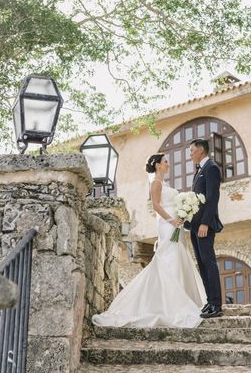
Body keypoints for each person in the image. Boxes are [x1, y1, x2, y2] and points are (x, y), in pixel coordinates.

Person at [92, 154, 206, 328]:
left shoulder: (165, 184)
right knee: (169, 257)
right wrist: (171, 220)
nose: (168, 164)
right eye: (165, 161)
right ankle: (171, 303)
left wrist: (183, 213)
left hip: (176, 225)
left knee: (177, 256)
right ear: (158, 166)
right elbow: (156, 205)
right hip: (168, 225)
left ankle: (179, 298)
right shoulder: (156, 183)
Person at [188, 138, 224, 319]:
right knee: (201, 264)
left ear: (201, 150)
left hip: (204, 225)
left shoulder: (211, 168)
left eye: (192, 151)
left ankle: (216, 304)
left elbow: (212, 198)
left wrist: (205, 223)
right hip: (195, 226)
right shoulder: (198, 171)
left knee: (209, 262)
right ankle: (209, 301)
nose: (190, 155)